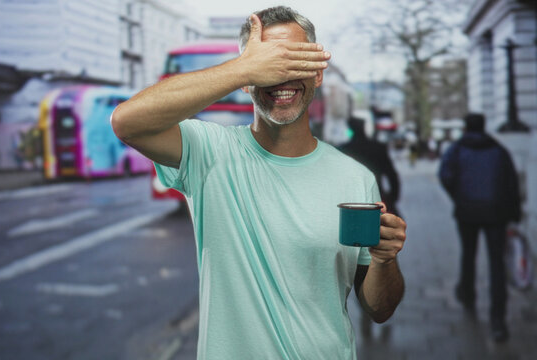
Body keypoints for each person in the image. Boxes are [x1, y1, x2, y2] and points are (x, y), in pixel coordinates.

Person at [111, 6, 407, 359]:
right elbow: (127, 122)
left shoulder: (355, 178)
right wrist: (242, 68)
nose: (281, 78)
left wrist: (385, 260)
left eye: (293, 62)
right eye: (269, 64)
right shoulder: (209, 151)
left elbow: (379, 308)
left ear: (317, 73)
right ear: (249, 78)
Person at [438, 113, 521, 343]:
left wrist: (458, 196)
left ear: (465, 127)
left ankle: (468, 293)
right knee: (497, 263)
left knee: (468, 254)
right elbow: (511, 182)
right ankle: (498, 320)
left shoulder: (456, 149)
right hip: (496, 212)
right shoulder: (499, 150)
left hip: (467, 210)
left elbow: (445, 175)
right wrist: (514, 213)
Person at [339, 116, 402, 340]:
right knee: (380, 254)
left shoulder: (343, 149)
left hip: (351, 209)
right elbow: (392, 175)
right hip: (377, 206)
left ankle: (366, 302)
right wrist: (394, 198)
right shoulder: (377, 147)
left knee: (355, 258)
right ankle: (373, 300)